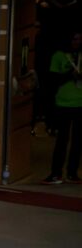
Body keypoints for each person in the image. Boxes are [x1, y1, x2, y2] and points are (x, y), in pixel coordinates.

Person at [43, 30, 82, 184]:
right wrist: (70, 75)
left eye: (80, 39)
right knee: (62, 140)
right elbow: (52, 80)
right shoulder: (59, 55)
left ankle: (72, 173)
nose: (77, 42)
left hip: (80, 103)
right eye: (74, 39)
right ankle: (56, 173)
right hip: (63, 103)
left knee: (78, 141)